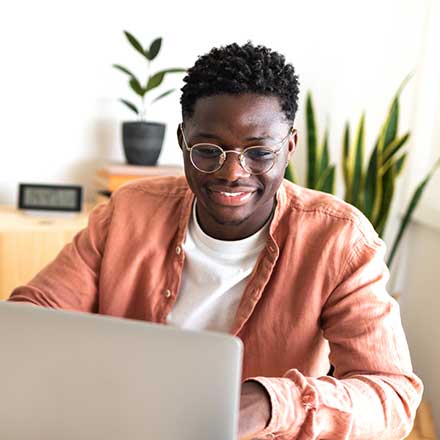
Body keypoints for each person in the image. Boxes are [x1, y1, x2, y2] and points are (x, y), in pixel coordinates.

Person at [8, 42, 423, 439]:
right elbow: (32, 318)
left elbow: (393, 397)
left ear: (290, 146)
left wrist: (269, 402)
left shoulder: (340, 240)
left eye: (259, 152)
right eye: (209, 150)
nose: (232, 173)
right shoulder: (129, 211)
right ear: (182, 141)